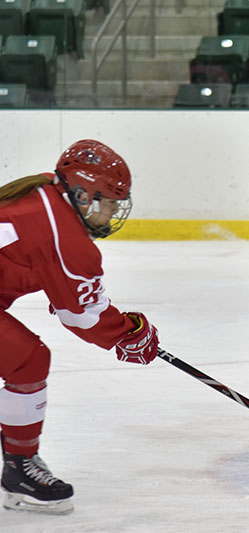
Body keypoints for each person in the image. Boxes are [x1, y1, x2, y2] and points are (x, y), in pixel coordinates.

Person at [0, 140, 160, 514]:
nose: (112, 213)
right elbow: (84, 317)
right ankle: (20, 469)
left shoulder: (45, 188)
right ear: (83, 194)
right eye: (109, 203)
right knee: (27, 360)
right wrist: (130, 333)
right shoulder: (65, 237)